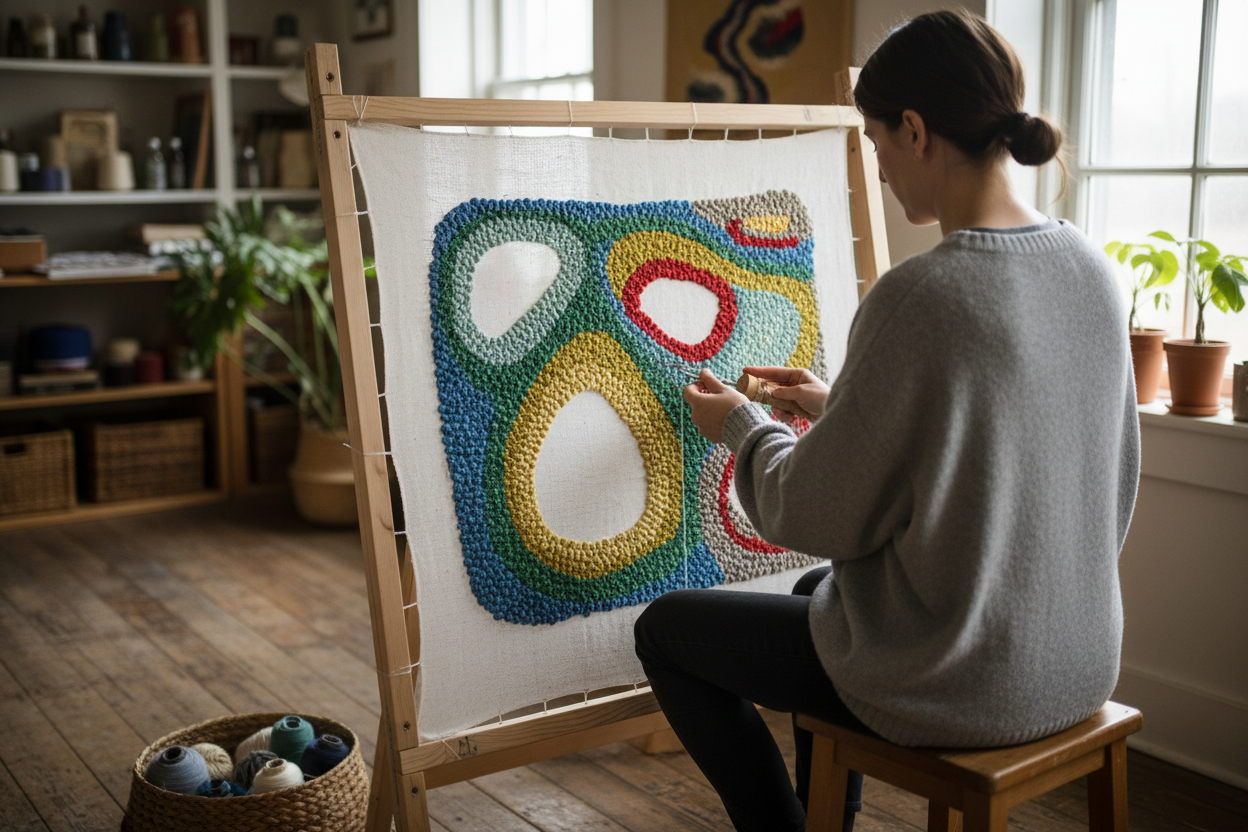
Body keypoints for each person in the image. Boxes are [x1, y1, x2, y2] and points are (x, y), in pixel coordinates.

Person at [633, 9, 1140, 832]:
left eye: (873, 143)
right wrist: (843, 407)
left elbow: (810, 514)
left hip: (969, 680)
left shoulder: (922, 294)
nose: (878, 168)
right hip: (1078, 658)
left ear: (914, 130)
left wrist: (740, 426)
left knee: (665, 631)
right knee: (819, 596)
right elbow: (1014, 439)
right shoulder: (1091, 269)